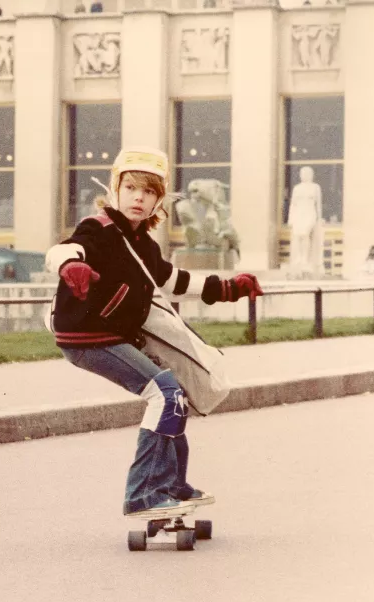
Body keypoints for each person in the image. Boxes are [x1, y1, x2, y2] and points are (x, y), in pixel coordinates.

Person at [45, 146, 263, 519]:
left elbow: (173, 280)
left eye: (149, 191)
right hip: (87, 335)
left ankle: (172, 485)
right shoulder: (98, 229)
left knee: (174, 393)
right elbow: (64, 250)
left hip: (114, 335)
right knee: (164, 393)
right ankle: (144, 493)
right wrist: (71, 267)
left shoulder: (143, 243)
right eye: (131, 188)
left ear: (158, 200)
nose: (138, 197)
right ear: (115, 189)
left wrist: (228, 288)